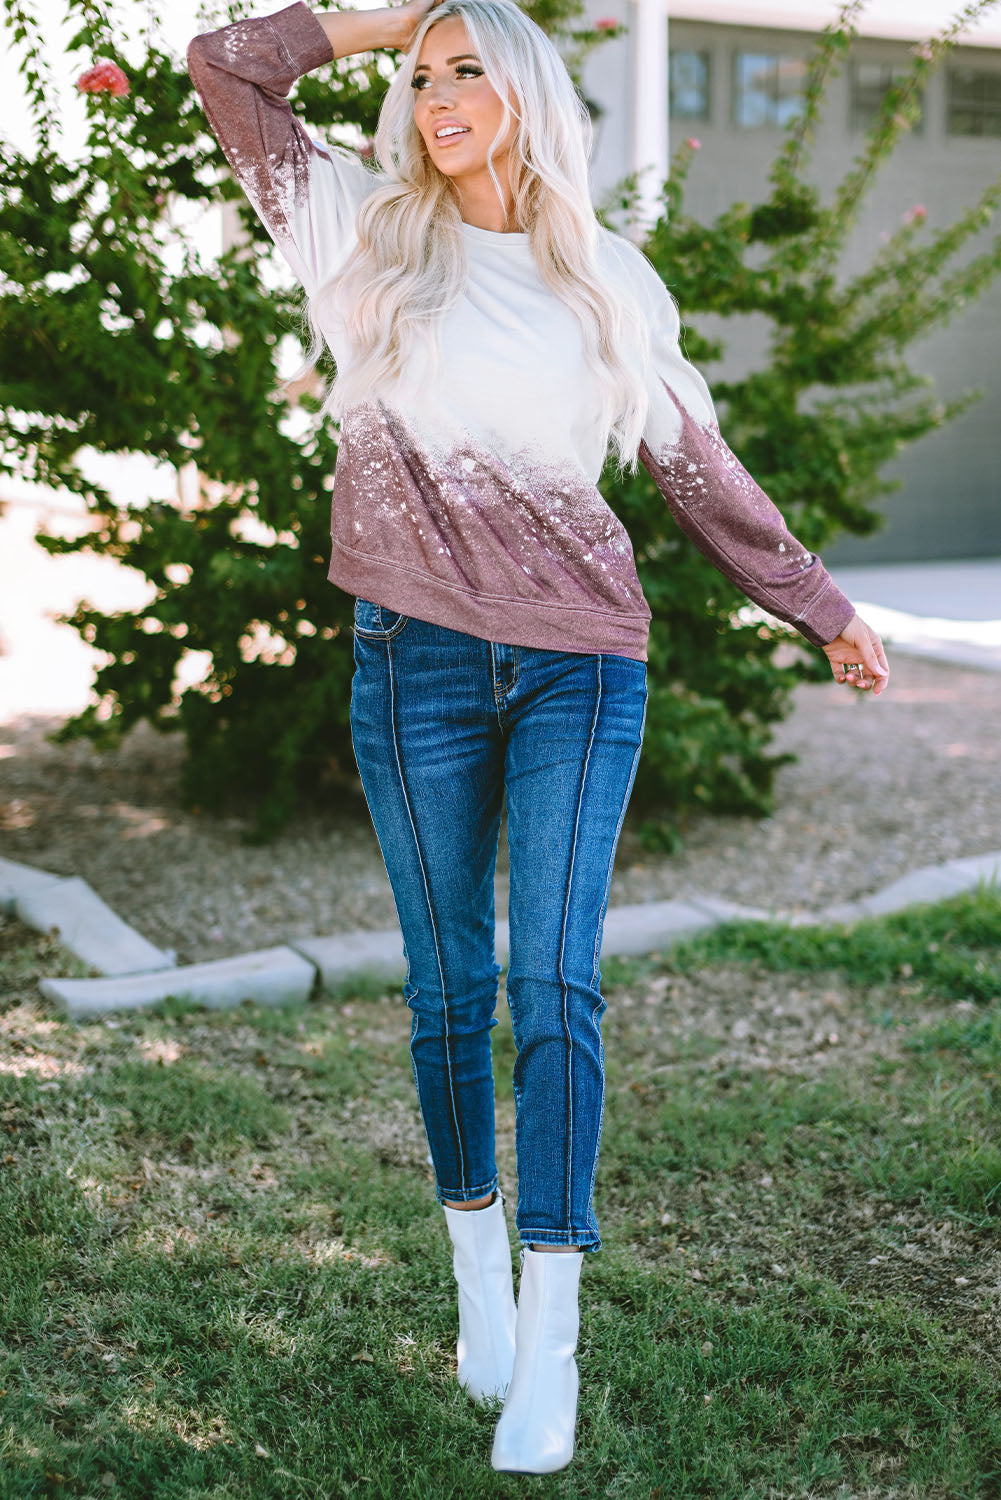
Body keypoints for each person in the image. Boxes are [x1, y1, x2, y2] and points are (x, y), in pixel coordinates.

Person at [187, 0, 890, 1474]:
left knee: (553, 985)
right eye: (424, 77)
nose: (440, 97)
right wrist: (381, 22)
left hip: (581, 666)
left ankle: (551, 1342)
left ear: (522, 92)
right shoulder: (358, 236)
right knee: (451, 989)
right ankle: (477, 1293)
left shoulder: (605, 283)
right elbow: (226, 68)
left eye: (468, 71)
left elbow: (695, 468)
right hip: (411, 662)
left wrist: (814, 604)